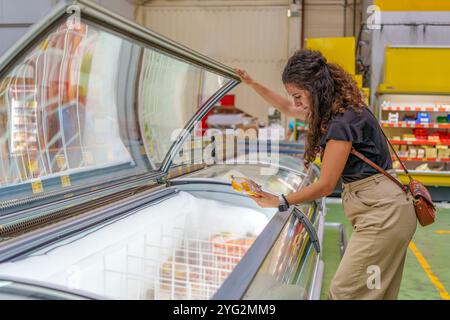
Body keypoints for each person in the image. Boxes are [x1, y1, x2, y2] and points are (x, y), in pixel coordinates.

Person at [236, 49, 417, 300]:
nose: (297, 103)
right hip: (383, 210)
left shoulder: (343, 121)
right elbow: (287, 107)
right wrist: (252, 83)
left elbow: (326, 184)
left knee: (344, 293)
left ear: (316, 88)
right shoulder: (337, 109)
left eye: (299, 95)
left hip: (383, 216)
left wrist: (280, 200)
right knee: (375, 293)